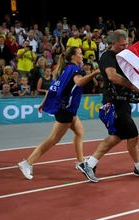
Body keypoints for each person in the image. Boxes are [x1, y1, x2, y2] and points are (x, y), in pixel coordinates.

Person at [82, 29, 139, 181]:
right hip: (114, 103)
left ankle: (90, 163)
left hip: (122, 102)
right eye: (122, 45)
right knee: (133, 135)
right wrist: (133, 86)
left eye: (127, 44)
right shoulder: (107, 57)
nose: (125, 47)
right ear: (113, 43)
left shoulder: (122, 57)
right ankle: (138, 167)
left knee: (116, 137)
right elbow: (112, 77)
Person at [18, 47, 99, 181]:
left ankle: (80, 162)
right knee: (53, 139)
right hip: (65, 110)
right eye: (79, 54)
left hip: (69, 109)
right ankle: (27, 163)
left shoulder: (64, 69)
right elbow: (79, 82)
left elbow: (52, 88)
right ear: (73, 57)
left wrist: (44, 102)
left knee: (79, 132)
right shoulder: (75, 70)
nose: (82, 56)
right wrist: (95, 73)